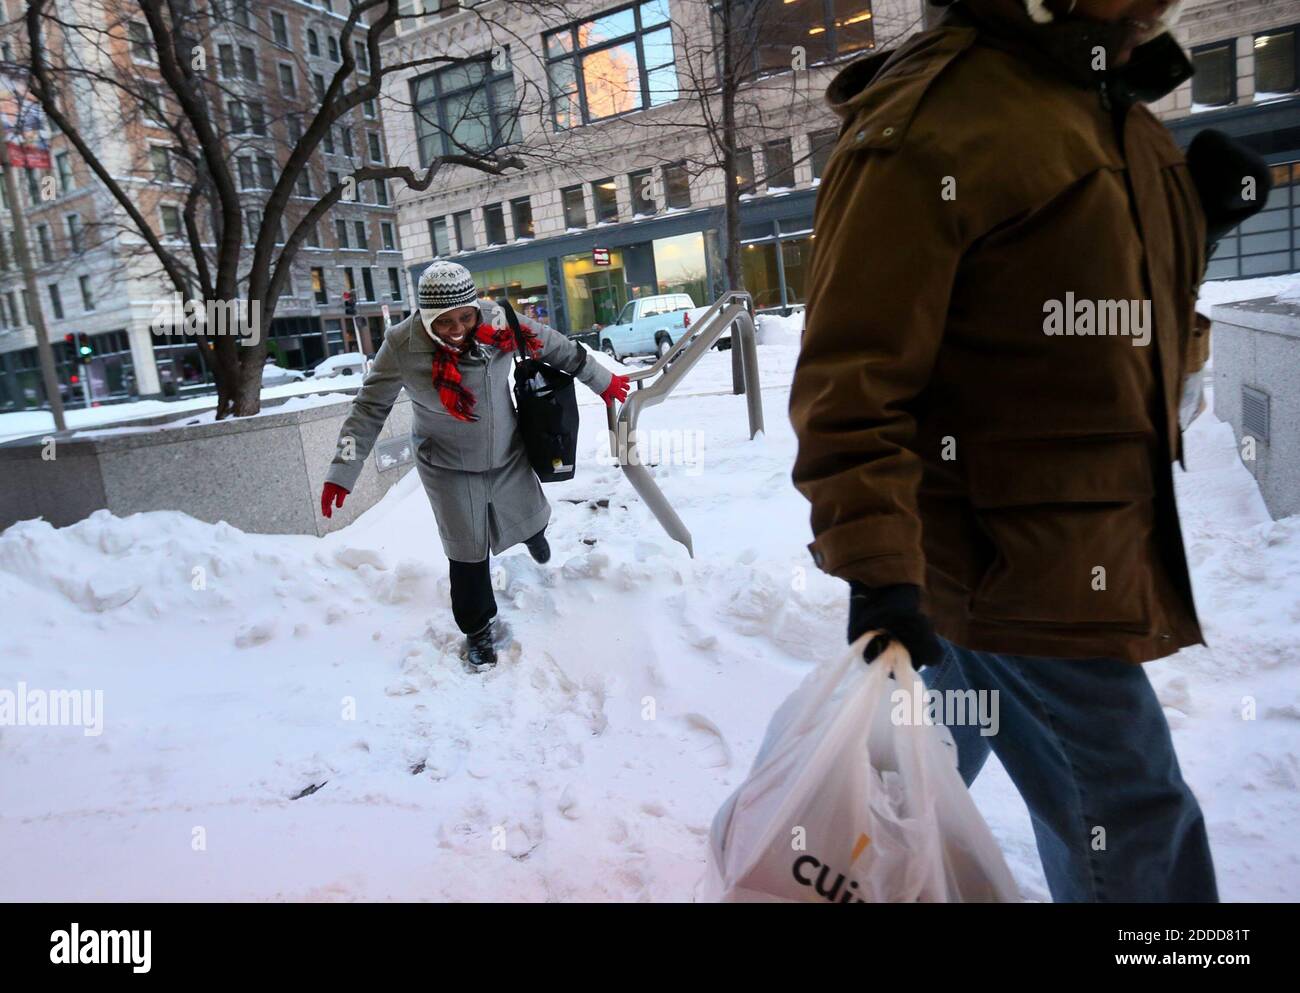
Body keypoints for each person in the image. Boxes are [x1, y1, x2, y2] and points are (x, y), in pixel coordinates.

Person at [789, 0, 1269, 901]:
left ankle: (813, 879)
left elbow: (1091, 329)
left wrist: (1189, 231)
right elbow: (850, 378)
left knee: (907, 792)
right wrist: (880, 566)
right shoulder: (942, 120)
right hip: (1012, 566)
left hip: (1067, 538)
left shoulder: (1098, 101)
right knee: (1132, 815)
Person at [320, 261, 630, 670]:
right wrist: (341, 471)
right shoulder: (400, 344)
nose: (458, 329)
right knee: (466, 552)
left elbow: (553, 345)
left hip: (506, 450)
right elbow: (368, 409)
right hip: (445, 462)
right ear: (426, 318)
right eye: (444, 322)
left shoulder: (497, 320)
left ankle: (532, 532)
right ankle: (478, 628)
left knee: (527, 510)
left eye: (465, 317)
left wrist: (601, 379)